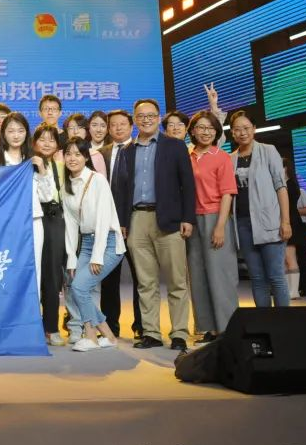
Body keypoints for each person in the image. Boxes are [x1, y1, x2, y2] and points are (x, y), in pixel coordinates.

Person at [122, 98, 196, 351]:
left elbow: (188, 184)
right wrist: (123, 222)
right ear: (135, 119)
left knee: (177, 281)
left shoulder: (175, 146)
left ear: (158, 118)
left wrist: (188, 218)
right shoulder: (127, 151)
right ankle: (151, 332)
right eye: (141, 116)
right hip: (137, 219)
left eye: (151, 116)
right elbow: (123, 190)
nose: (146, 120)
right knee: (146, 282)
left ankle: (179, 333)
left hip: (170, 219)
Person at [61, 138, 126, 352]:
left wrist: (97, 255)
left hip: (108, 242)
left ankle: (91, 337)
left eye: (77, 154)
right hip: (87, 243)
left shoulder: (97, 180)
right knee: (76, 288)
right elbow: (71, 225)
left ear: (86, 157)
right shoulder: (66, 186)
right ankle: (108, 336)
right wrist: (72, 258)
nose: (72, 158)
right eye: (68, 154)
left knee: (80, 287)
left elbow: (103, 219)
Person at [0, 112, 53, 293]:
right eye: (11, 131)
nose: (16, 135)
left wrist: (42, 169)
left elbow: (47, 197)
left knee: (33, 268)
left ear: (27, 133)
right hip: (5, 224)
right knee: (7, 268)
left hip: (33, 222)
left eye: (20, 131)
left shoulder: (36, 159)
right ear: (3, 134)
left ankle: (32, 308)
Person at [186, 110, 239, 345]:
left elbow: (228, 193)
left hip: (216, 217)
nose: (206, 132)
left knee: (221, 276)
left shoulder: (221, 157)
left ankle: (226, 328)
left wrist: (220, 226)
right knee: (197, 275)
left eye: (210, 128)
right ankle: (207, 327)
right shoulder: (187, 155)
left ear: (217, 132)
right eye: (201, 127)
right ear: (193, 131)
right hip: (192, 220)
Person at [229, 110, 291, 308]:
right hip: (243, 224)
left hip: (269, 221)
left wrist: (285, 221)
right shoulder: (230, 159)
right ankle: (264, 321)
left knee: (276, 276)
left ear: (254, 129)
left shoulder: (268, 150)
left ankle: (285, 321)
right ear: (232, 133)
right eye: (237, 129)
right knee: (257, 278)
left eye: (246, 128)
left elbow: (281, 187)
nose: (242, 133)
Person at [98, 109, 142, 339]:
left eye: (122, 124)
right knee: (109, 280)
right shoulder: (100, 153)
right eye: (113, 124)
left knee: (141, 277)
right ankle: (110, 327)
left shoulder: (140, 150)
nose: (117, 128)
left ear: (131, 126)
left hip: (135, 222)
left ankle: (141, 326)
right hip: (108, 224)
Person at [33, 123, 67, 346]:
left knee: (53, 276)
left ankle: (51, 327)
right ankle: (32, 326)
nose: (47, 143)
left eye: (51, 140)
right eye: (42, 139)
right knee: (33, 274)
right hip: (32, 220)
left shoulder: (61, 166)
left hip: (54, 221)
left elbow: (60, 196)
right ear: (34, 142)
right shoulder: (26, 164)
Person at [282, 158, 306, 298]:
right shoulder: (286, 185)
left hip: (292, 224)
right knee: (284, 259)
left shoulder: (291, 185)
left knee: (290, 257)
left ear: (286, 168)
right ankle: (288, 289)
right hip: (286, 222)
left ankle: (294, 290)